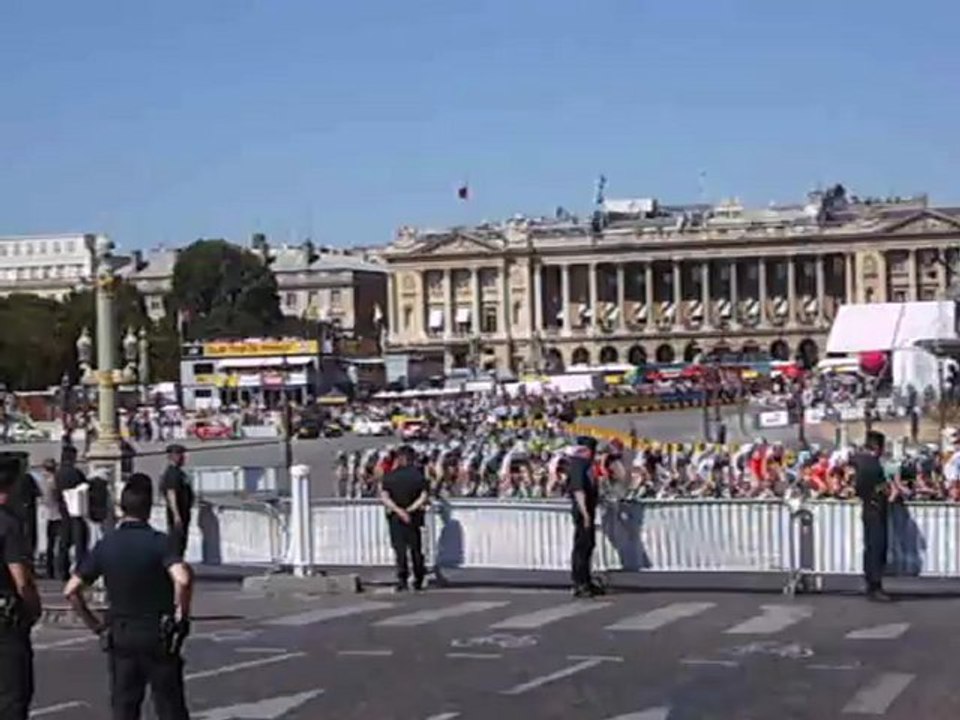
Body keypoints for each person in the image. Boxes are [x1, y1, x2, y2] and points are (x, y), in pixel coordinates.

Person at [64, 474, 193, 720]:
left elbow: (71, 589)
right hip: (157, 632)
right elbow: (183, 579)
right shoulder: (160, 542)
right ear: (148, 509)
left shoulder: (107, 544)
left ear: (121, 508)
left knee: (124, 705)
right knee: (169, 704)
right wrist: (181, 614)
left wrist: (94, 625)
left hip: (121, 632)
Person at [0, 454, 42, 719]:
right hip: (5, 622)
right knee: (13, 696)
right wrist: (33, 608)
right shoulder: (8, 524)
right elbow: (22, 580)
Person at [380, 445, 429, 592]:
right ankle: (418, 579)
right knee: (416, 549)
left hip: (395, 517)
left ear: (399, 459)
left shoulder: (389, 476)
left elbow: (385, 497)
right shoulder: (418, 476)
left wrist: (399, 511)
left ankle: (402, 579)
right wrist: (410, 510)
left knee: (399, 549)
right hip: (414, 517)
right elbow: (424, 496)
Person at [852, 430, 893, 602]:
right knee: (877, 547)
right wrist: (885, 492)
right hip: (876, 508)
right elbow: (876, 487)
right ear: (877, 447)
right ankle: (875, 585)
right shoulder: (872, 465)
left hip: (869, 507)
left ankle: (871, 582)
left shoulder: (861, 462)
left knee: (870, 547)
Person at [569, 436, 602, 598]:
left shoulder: (587, 465)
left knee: (589, 545)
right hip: (583, 511)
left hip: (589, 509)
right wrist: (585, 514)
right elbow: (578, 490)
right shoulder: (578, 465)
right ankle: (579, 582)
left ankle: (586, 580)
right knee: (582, 547)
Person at [55, 445, 89, 581]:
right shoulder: (75, 472)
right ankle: (80, 570)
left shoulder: (59, 473)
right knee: (80, 541)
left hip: (63, 509)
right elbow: (85, 486)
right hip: (76, 509)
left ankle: (61, 570)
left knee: (64, 541)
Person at [160, 445, 193, 558]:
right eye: (181, 455)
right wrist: (176, 515)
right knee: (176, 542)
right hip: (178, 514)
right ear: (174, 456)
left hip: (184, 513)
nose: (184, 458)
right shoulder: (172, 473)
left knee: (181, 541)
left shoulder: (179, 472)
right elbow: (171, 494)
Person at [38, 459, 64, 579]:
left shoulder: (43, 481)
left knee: (51, 543)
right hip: (57, 514)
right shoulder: (54, 480)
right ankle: (56, 568)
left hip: (48, 514)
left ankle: (50, 569)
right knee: (58, 543)